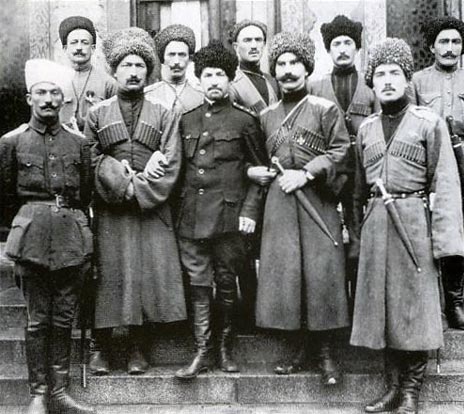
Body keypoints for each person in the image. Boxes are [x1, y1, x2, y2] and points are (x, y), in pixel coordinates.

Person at [350, 38, 464, 414]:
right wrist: (356, 234)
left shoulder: (428, 123)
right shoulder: (366, 129)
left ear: (406, 78)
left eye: (394, 73)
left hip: (414, 223)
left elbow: (444, 182)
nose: (387, 80)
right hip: (376, 224)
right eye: (380, 74)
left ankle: (412, 390)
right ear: (371, 82)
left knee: (412, 308)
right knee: (383, 308)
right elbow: (358, 189)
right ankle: (392, 387)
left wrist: (444, 242)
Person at [84, 27, 186, 376]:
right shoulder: (96, 114)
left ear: (148, 71)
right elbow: (91, 158)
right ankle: (101, 346)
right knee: (108, 274)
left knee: (146, 275)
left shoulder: (165, 112)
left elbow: (171, 161)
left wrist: (138, 189)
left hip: (151, 209)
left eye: (140, 65)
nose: (133, 72)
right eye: (126, 65)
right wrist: (121, 183)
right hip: (111, 209)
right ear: (114, 71)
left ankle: (138, 347)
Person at [255, 31, 350, 386]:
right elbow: (258, 158)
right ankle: (297, 348)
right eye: (281, 64)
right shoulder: (265, 116)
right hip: (280, 203)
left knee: (322, 274)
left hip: (318, 200)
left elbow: (341, 152)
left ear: (307, 68)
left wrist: (307, 173)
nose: (288, 70)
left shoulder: (325, 109)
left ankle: (325, 353)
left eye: (295, 62)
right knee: (287, 275)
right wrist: (263, 173)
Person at [0, 59, 95, 414]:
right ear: (29, 98)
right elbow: (4, 197)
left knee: (64, 318)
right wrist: (21, 229)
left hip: (70, 240)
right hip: (31, 239)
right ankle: (38, 394)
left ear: (63, 99)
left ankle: (59, 393)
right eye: (41, 92)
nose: (49, 99)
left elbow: (84, 193)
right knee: (38, 319)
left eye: (55, 93)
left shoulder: (79, 143)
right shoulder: (11, 142)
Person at [173, 41, 266, 380]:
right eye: (208, 75)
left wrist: (250, 212)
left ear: (229, 79)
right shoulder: (186, 120)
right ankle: (202, 350)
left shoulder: (245, 121)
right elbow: (177, 170)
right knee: (198, 283)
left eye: (220, 75)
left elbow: (260, 173)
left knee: (226, 282)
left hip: (230, 218)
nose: (214, 81)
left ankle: (225, 348)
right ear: (199, 80)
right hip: (192, 217)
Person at [412, 16, 464, 330]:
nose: (450, 48)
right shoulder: (417, 82)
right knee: (425, 231)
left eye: (456, 42)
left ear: (463, 47)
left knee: (457, 235)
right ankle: (428, 304)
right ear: (432, 46)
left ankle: (454, 305)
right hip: (429, 164)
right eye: (443, 42)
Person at [309, 14, 378, 312]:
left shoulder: (371, 88)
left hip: (362, 176)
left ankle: (358, 307)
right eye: (336, 43)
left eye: (348, 43)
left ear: (357, 48)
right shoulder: (315, 87)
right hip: (329, 176)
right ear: (328, 49)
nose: (342, 49)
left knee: (360, 241)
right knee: (330, 241)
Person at [229, 19, 281, 330]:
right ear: (236, 46)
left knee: (270, 242)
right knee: (244, 246)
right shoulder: (233, 83)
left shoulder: (272, 81)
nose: (253, 45)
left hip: (274, 168)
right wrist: (248, 170)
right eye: (246, 40)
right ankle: (247, 313)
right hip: (247, 171)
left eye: (258, 40)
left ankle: (271, 311)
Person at [58, 15, 116, 131]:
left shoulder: (108, 83)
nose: (79, 48)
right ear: (65, 48)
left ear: (93, 48)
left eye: (84, 42)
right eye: (74, 42)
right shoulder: (55, 80)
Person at [145, 24, 204, 113]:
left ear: (189, 59)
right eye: (171, 55)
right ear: (162, 58)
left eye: (182, 55)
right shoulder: (148, 96)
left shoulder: (201, 97)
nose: (177, 61)